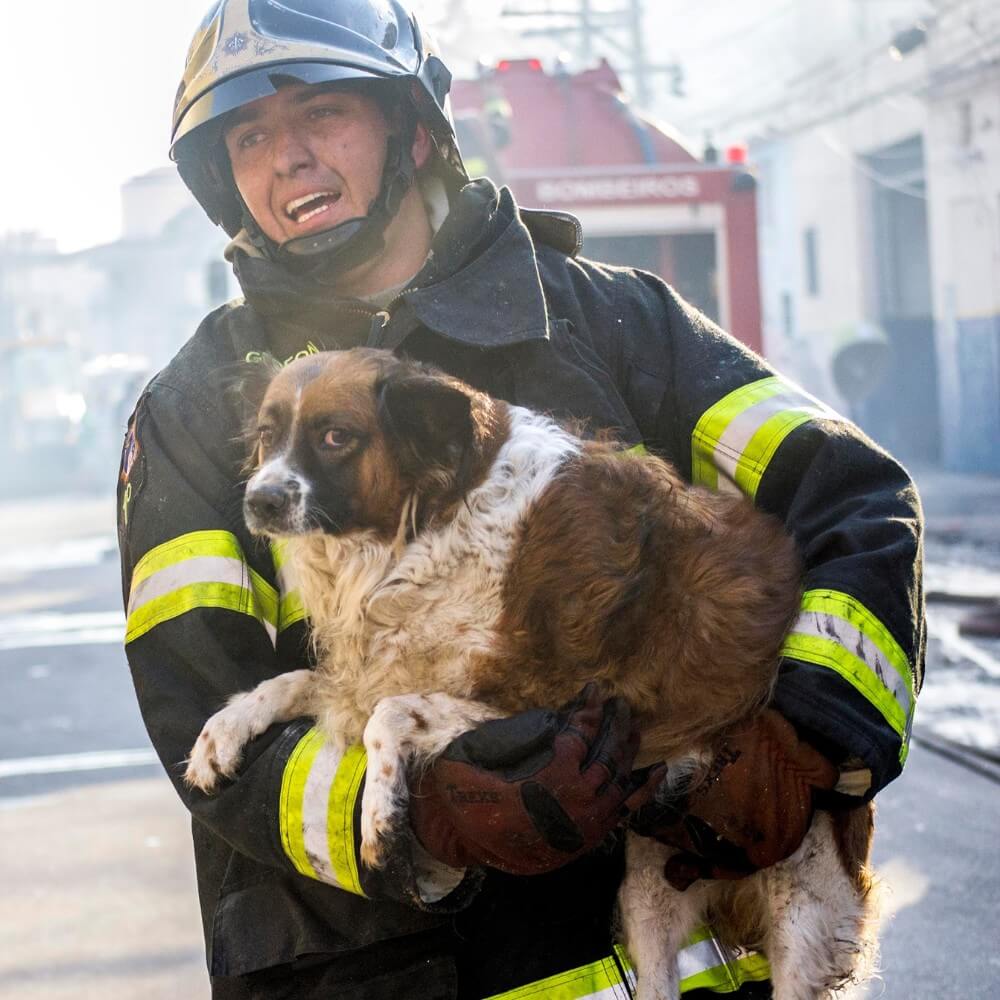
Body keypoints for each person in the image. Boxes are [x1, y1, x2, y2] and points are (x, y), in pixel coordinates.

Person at [117, 2, 924, 997]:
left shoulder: (609, 318)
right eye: (248, 136)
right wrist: (423, 813)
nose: (286, 158)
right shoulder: (196, 411)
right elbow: (199, 707)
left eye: (321, 113)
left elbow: (854, 501)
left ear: (413, 129)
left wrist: (805, 735)